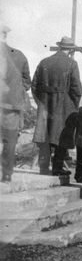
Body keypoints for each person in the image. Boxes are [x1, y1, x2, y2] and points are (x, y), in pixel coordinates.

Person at [32, 36, 82, 175]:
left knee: (45, 135)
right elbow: (76, 88)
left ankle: (43, 168)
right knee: (61, 136)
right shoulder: (72, 64)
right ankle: (57, 168)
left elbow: (34, 85)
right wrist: (73, 106)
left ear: (60, 46)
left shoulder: (44, 62)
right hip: (64, 106)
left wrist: (40, 102)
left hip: (45, 105)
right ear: (71, 49)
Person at [0, 40, 25, 182]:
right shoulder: (19, 56)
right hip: (10, 107)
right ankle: (7, 173)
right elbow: (26, 81)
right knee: (9, 141)